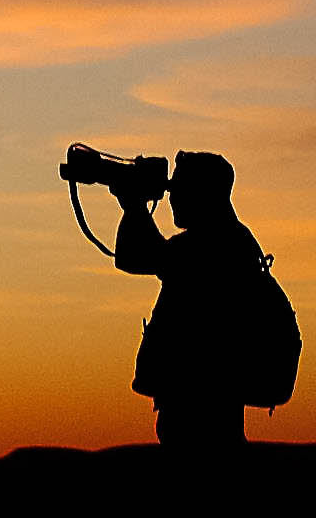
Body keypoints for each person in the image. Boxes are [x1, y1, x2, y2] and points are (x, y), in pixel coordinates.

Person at [113, 150, 264, 448]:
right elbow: (137, 257)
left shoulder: (214, 245)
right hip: (205, 407)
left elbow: (137, 257)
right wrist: (134, 206)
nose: (172, 197)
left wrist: (134, 206)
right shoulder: (230, 240)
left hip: (201, 410)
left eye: (179, 189)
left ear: (203, 194)